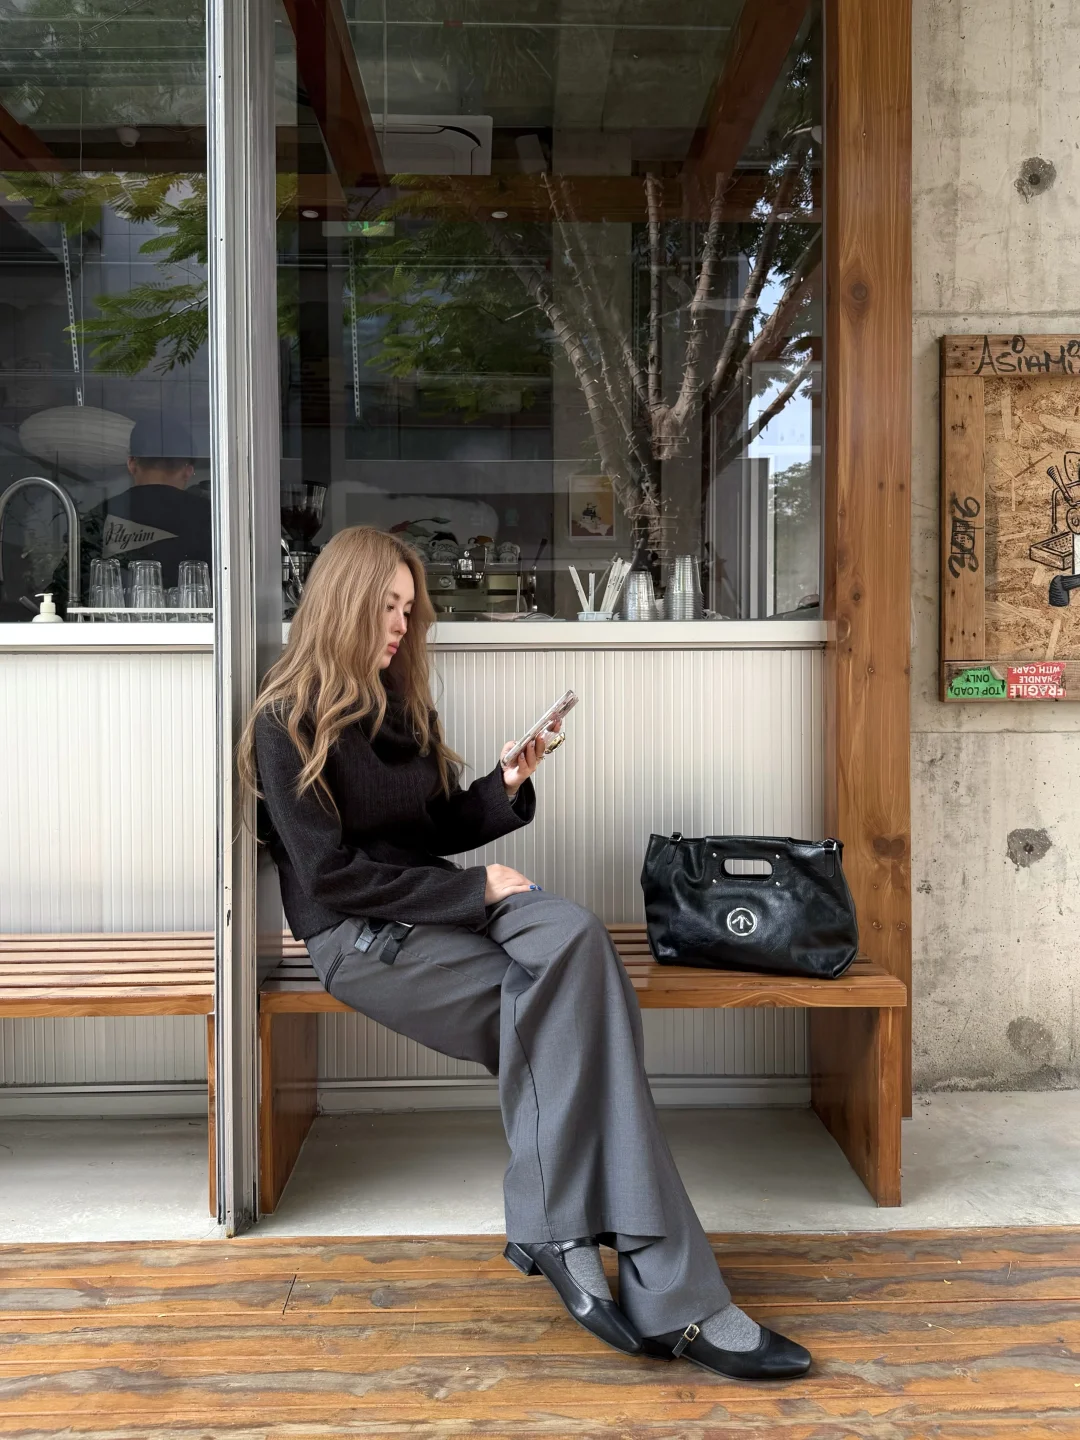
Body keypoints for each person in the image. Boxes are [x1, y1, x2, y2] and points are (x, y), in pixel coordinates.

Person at [237, 525, 811, 1381]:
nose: (401, 624)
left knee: (578, 940)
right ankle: (678, 1300)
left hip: (438, 906)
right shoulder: (286, 720)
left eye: (408, 609)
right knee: (576, 1029)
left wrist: (504, 785)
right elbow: (329, 876)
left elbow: (431, 829)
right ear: (344, 603)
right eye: (387, 606)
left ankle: (556, 1228)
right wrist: (476, 891)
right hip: (360, 938)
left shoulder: (397, 704)